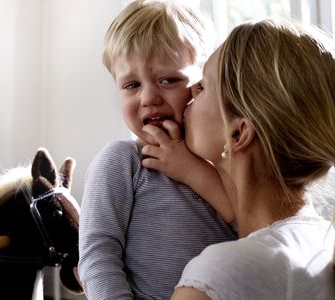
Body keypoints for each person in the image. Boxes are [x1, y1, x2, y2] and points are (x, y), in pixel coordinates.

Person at [142, 19, 335, 299]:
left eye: (204, 86)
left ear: (238, 133)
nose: (189, 92)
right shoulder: (320, 244)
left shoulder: (220, 274)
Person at [78, 1, 238, 299]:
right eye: (131, 85)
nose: (149, 97)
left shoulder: (224, 159)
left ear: (202, 83)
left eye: (168, 80)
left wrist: (193, 171)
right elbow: (98, 256)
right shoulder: (122, 161)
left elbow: (254, 230)